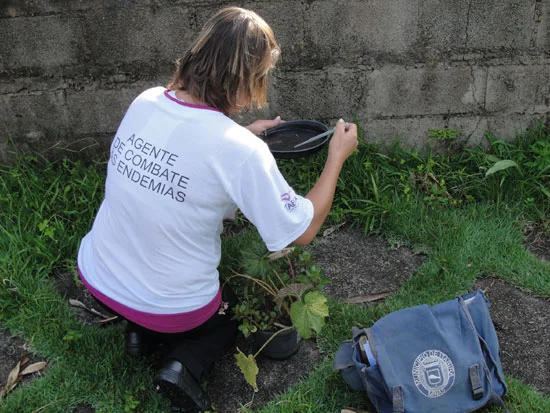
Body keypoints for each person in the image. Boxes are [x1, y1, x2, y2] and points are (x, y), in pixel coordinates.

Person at [76, 6, 358, 412]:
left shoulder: (148, 100)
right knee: (229, 314)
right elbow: (302, 230)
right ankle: (181, 364)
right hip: (168, 305)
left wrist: (241, 135)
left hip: (99, 274)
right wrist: (336, 157)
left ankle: (139, 333)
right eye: (260, 77)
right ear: (246, 80)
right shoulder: (238, 151)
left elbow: (186, 150)